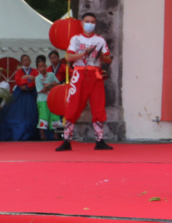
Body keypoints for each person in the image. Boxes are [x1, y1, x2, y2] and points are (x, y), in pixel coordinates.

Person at [56, 12, 114, 151]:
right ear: (82, 23)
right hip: (79, 74)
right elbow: (69, 57)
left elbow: (108, 60)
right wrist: (84, 54)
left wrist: (102, 56)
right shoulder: (76, 39)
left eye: (92, 22)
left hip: (95, 74)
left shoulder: (100, 40)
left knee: (98, 106)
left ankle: (99, 140)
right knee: (73, 105)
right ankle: (66, 140)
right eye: (87, 21)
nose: (90, 24)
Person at [0, 55, 39, 140]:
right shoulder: (19, 72)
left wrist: (27, 84)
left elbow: (37, 80)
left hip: (32, 93)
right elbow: (18, 81)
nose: (26, 61)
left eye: (28, 59)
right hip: (20, 93)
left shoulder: (35, 71)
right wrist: (29, 79)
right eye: (24, 60)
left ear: (30, 61)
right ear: (21, 62)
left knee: (32, 113)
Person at [34, 56, 60, 139]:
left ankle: (55, 135)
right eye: (40, 67)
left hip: (52, 99)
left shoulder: (51, 74)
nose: (42, 68)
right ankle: (42, 135)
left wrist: (50, 84)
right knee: (43, 116)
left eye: (43, 66)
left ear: (46, 66)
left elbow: (58, 84)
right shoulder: (37, 78)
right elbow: (42, 90)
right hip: (42, 100)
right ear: (37, 69)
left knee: (54, 116)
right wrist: (52, 86)